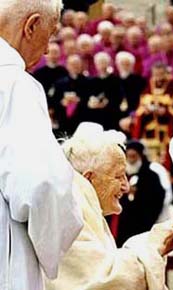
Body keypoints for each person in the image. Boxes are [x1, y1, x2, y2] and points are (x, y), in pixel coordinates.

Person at [46, 123, 173, 290]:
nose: (126, 186)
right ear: (89, 178)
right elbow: (106, 281)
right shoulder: (69, 212)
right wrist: (153, 246)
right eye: (118, 176)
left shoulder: (81, 203)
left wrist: (154, 242)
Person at [0, 1, 83, 290]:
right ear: (31, 25)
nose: (48, 50)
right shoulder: (14, 84)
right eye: (49, 35)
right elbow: (41, 185)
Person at [116, 140, 166, 247]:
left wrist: (138, 193)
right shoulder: (119, 174)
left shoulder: (151, 177)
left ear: (140, 156)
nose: (130, 160)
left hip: (142, 225)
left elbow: (157, 200)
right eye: (128, 157)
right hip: (120, 226)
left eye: (133, 156)